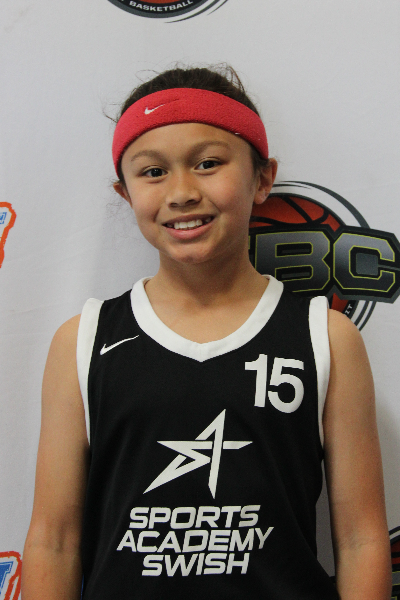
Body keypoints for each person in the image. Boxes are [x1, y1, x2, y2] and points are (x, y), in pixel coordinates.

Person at [22, 65, 392, 600]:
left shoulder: (325, 338)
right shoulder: (83, 341)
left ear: (262, 178)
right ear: (125, 193)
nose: (181, 192)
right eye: (153, 172)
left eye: (208, 163)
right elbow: (53, 542)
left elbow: (361, 540)